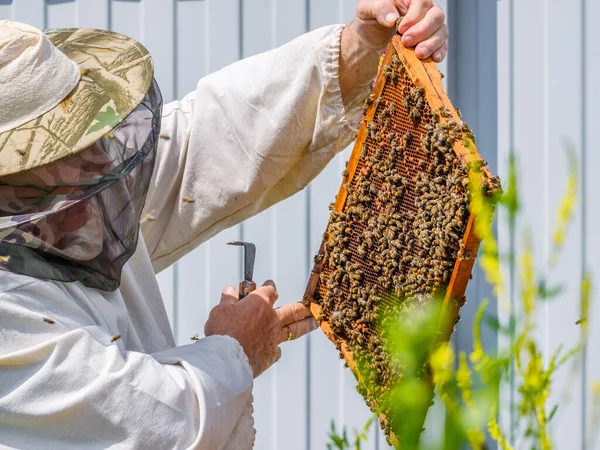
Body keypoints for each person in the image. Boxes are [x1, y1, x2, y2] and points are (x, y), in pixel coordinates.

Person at [0, 1, 448, 448]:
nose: (97, 173)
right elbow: (153, 424)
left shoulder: (83, 194)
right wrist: (234, 349)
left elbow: (209, 139)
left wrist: (358, 49)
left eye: (94, 145)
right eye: (58, 161)